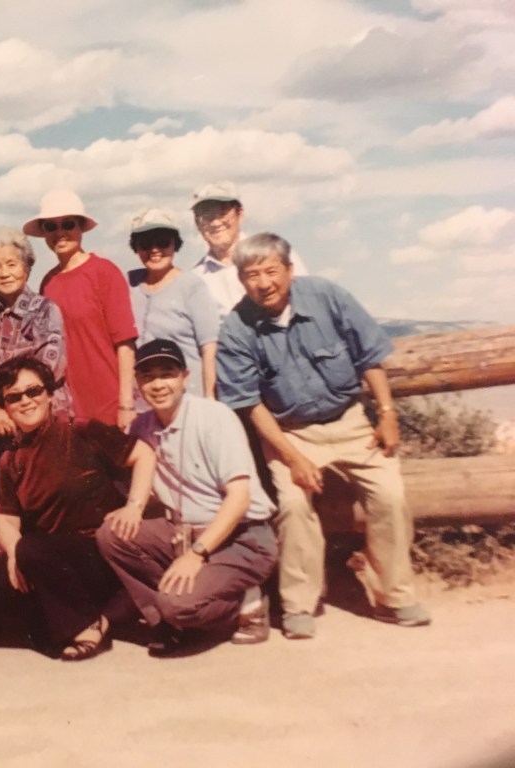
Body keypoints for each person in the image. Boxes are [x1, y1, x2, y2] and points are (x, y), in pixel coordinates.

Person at [217, 233, 431, 639]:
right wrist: (293, 458)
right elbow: (250, 404)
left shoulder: (327, 296)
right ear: (241, 280)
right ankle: (300, 604)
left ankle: (394, 597)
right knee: (294, 504)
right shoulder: (236, 328)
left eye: (270, 271)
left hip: (351, 422)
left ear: (289, 269)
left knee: (390, 495)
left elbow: (370, 357)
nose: (263, 283)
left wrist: (387, 414)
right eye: (251, 275)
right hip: (290, 433)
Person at [96, 339, 278, 655]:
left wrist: (196, 554)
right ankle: (167, 621)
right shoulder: (142, 426)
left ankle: (247, 605)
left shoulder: (214, 417)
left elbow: (239, 498)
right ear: (138, 383)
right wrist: (133, 507)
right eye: (148, 376)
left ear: (185, 376)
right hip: (183, 533)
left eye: (167, 373)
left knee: (177, 605)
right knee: (112, 533)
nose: (157, 384)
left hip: (241, 538)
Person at [0, 355, 156, 661]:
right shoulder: (10, 460)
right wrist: (15, 555)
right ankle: (99, 614)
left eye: (33, 391)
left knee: (33, 549)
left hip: (99, 552)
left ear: (48, 393)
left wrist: (134, 507)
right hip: (53, 562)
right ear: (5, 406)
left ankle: (89, 624)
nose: (25, 401)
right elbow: (6, 518)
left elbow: (144, 455)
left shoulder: (80, 430)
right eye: (14, 397)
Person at [0, 226, 72, 491]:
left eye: (11, 264)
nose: (4, 273)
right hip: (2, 426)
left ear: (26, 267)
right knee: (7, 501)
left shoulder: (44, 310)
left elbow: (48, 368)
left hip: (43, 423)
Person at [24, 189, 138, 429]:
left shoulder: (104, 272)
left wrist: (126, 405)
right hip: (68, 408)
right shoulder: (48, 283)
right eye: (51, 226)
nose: (60, 232)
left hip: (109, 402)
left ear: (80, 228)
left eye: (67, 224)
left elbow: (125, 343)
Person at [126, 209, 220, 401]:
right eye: (145, 242)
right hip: (143, 400)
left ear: (175, 244)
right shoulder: (128, 283)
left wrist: (210, 400)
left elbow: (209, 348)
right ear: (136, 247)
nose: (154, 249)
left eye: (162, 241)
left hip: (187, 398)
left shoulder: (192, 286)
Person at [190, 182, 308, 320]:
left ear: (240, 214)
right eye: (207, 216)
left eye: (222, 213)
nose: (215, 223)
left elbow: (307, 302)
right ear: (197, 223)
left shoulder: (277, 252)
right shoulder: (195, 280)